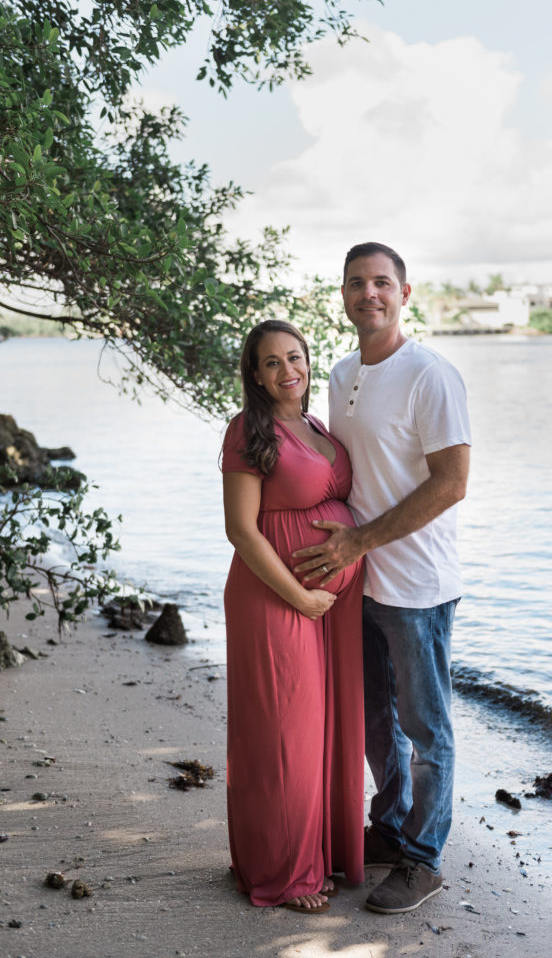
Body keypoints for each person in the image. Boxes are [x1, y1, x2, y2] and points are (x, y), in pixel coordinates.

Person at [293, 243, 471, 915]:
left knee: (426, 727)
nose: (369, 293)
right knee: (375, 721)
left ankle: (424, 860)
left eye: (381, 282)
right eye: (356, 282)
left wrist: (360, 540)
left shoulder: (431, 375)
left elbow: (452, 484)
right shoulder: (340, 375)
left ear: (404, 293)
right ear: (342, 293)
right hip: (356, 582)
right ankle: (391, 829)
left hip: (418, 585)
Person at [221, 319, 365, 913]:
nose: (289, 371)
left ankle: (316, 853)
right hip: (274, 596)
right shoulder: (246, 430)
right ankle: (284, 872)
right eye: (273, 362)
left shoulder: (316, 425)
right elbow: (241, 531)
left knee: (322, 731)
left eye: (296, 357)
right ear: (255, 374)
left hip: (329, 605)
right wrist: (300, 598)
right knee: (283, 735)